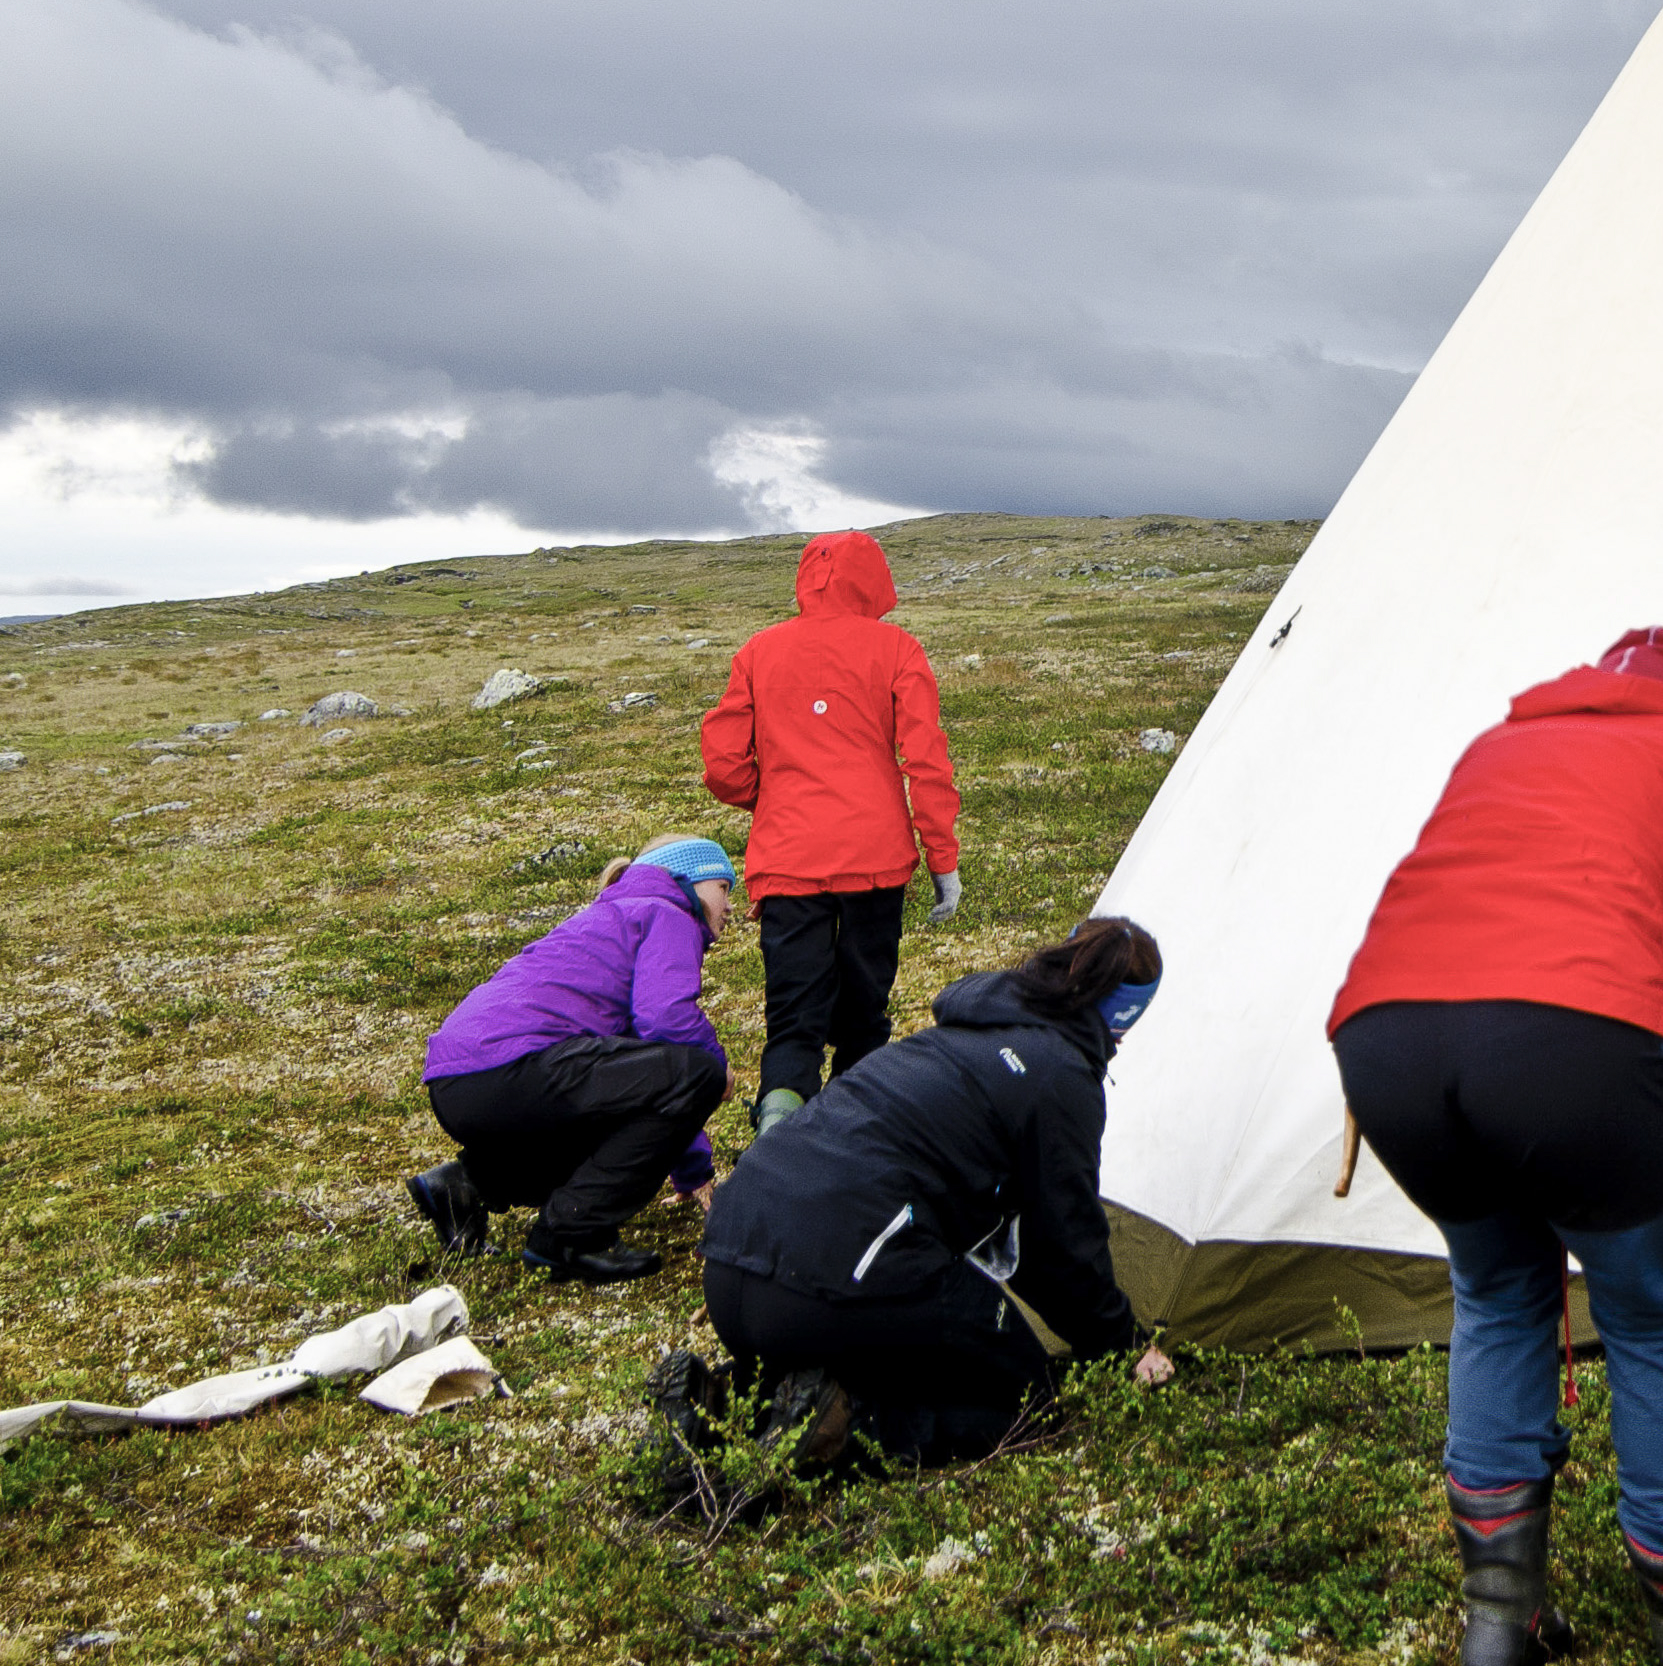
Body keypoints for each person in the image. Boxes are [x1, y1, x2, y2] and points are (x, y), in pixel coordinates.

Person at [1328, 626, 1663, 1666]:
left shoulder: (1502, 746)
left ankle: (1499, 1624)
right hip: (1568, 1043)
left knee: (1499, 1293)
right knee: (1651, 1311)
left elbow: (1503, 938)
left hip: (1389, 1039)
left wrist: (1662, 1045)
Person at [667, 915, 1176, 1503]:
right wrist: (1122, 1345)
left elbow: (1028, 1246)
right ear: (1120, 1020)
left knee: (900, 1333)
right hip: (825, 1281)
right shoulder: (1060, 1077)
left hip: (733, 1263)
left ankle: (722, 1399)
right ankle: (845, 1430)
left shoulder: (959, 1033)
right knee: (1022, 1398)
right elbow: (1061, 1247)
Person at [701, 529, 964, 1138]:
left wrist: (772, 800)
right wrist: (942, 862)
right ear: (874, 580)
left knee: (793, 1021)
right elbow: (925, 763)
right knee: (864, 1016)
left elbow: (722, 764)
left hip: (788, 860)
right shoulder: (897, 648)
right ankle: (855, 1143)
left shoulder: (759, 652)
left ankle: (779, 1134)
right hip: (877, 861)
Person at [409, 838, 738, 1286]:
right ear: (688, 878)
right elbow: (667, 1021)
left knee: (639, 1092)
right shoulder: (668, 911)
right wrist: (719, 1070)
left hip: (460, 1085)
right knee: (699, 1069)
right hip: (517, 1068)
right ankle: (571, 1236)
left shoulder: (609, 918)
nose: (730, 906)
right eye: (724, 887)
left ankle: (468, 1185)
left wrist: (691, 1171)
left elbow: (649, 1084)